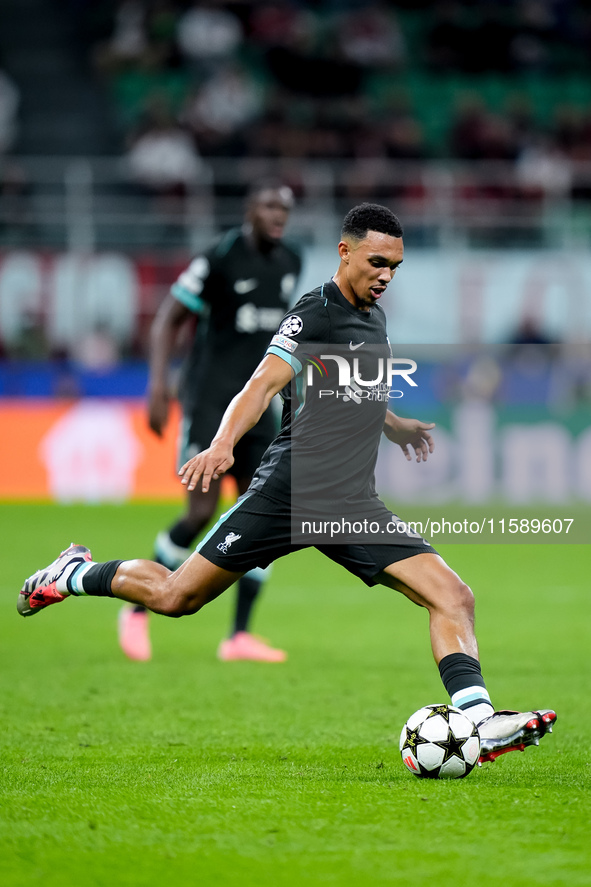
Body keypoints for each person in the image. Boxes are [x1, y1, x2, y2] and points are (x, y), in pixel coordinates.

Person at [18, 203, 556, 764]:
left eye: (395, 266)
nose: (386, 276)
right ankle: (74, 573)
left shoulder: (375, 318)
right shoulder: (313, 313)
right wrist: (224, 443)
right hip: (288, 494)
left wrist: (393, 426)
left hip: (350, 502)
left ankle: (480, 720)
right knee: (177, 597)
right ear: (344, 252)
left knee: (453, 595)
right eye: (377, 262)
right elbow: (260, 385)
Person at [119, 180, 301, 662]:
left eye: (284, 207)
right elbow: (167, 320)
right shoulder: (219, 257)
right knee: (201, 513)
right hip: (208, 404)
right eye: (267, 204)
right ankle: (135, 608)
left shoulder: (291, 261)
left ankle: (238, 636)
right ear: (249, 209)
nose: (277, 213)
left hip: (259, 408)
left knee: (264, 515)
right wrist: (159, 385)